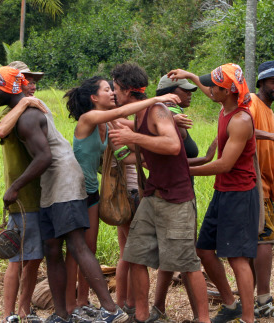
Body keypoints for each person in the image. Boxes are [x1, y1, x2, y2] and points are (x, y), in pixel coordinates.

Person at [0, 66, 128, 323]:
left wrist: (14, 187)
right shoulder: (23, 110)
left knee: (76, 245)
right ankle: (62, 314)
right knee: (52, 248)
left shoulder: (29, 116)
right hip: (52, 185)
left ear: (9, 89)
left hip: (63, 180)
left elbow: (44, 157)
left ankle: (111, 310)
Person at [63, 76, 181, 321]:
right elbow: (128, 110)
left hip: (92, 191)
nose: (112, 94)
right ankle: (69, 305)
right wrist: (157, 99)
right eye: (108, 90)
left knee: (90, 249)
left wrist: (171, 120)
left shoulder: (106, 123)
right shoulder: (89, 119)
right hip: (74, 192)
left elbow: (129, 125)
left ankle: (84, 301)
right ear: (94, 98)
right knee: (76, 250)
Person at [108, 62, 211, 323]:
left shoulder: (157, 111)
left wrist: (134, 139)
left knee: (187, 264)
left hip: (175, 198)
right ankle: (141, 316)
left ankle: (204, 320)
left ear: (128, 90)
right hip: (153, 196)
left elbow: (172, 145)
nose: (114, 93)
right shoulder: (141, 113)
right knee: (135, 256)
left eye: (116, 89)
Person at [167, 64, 259, 323]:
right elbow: (209, 91)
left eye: (214, 86)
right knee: (205, 249)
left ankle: (248, 317)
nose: (208, 90)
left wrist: (182, 171)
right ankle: (230, 303)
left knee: (237, 258)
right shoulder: (225, 105)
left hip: (239, 193)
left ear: (228, 90)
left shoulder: (240, 120)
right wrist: (189, 75)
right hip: (224, 190)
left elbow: (224, 164)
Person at [150, 74, 217, 323]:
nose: (190, 94)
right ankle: (202, 317)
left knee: (173, 253)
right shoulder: (169, 115)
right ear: (168, 92)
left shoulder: (162, 113)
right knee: (188, 257)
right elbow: (175, 161)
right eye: (184, 90)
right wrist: (209, 158)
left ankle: (157, 306)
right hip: (176, 195)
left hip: (172, 192)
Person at [0, 66, 44, 323]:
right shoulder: (13, 114)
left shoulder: (33, 111)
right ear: (16, 85)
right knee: (17, 259)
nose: (32, 85)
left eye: (34, 82)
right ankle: (8, 314)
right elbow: (1, 131)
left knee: (34, 258)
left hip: (38, 195)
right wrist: (24, 105)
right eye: (27, 81)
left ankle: (23, 310)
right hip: (23, 198)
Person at [248, 61, 274, 318]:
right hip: (253, 186)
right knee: (265, 241)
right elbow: (243, 129)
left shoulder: (272, 115)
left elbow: (271, 155)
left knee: (258, 242)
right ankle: (263, 298)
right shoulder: (251, 102)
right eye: (273, 81)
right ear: (261, 82)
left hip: (265, 187)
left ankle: (251, 295)